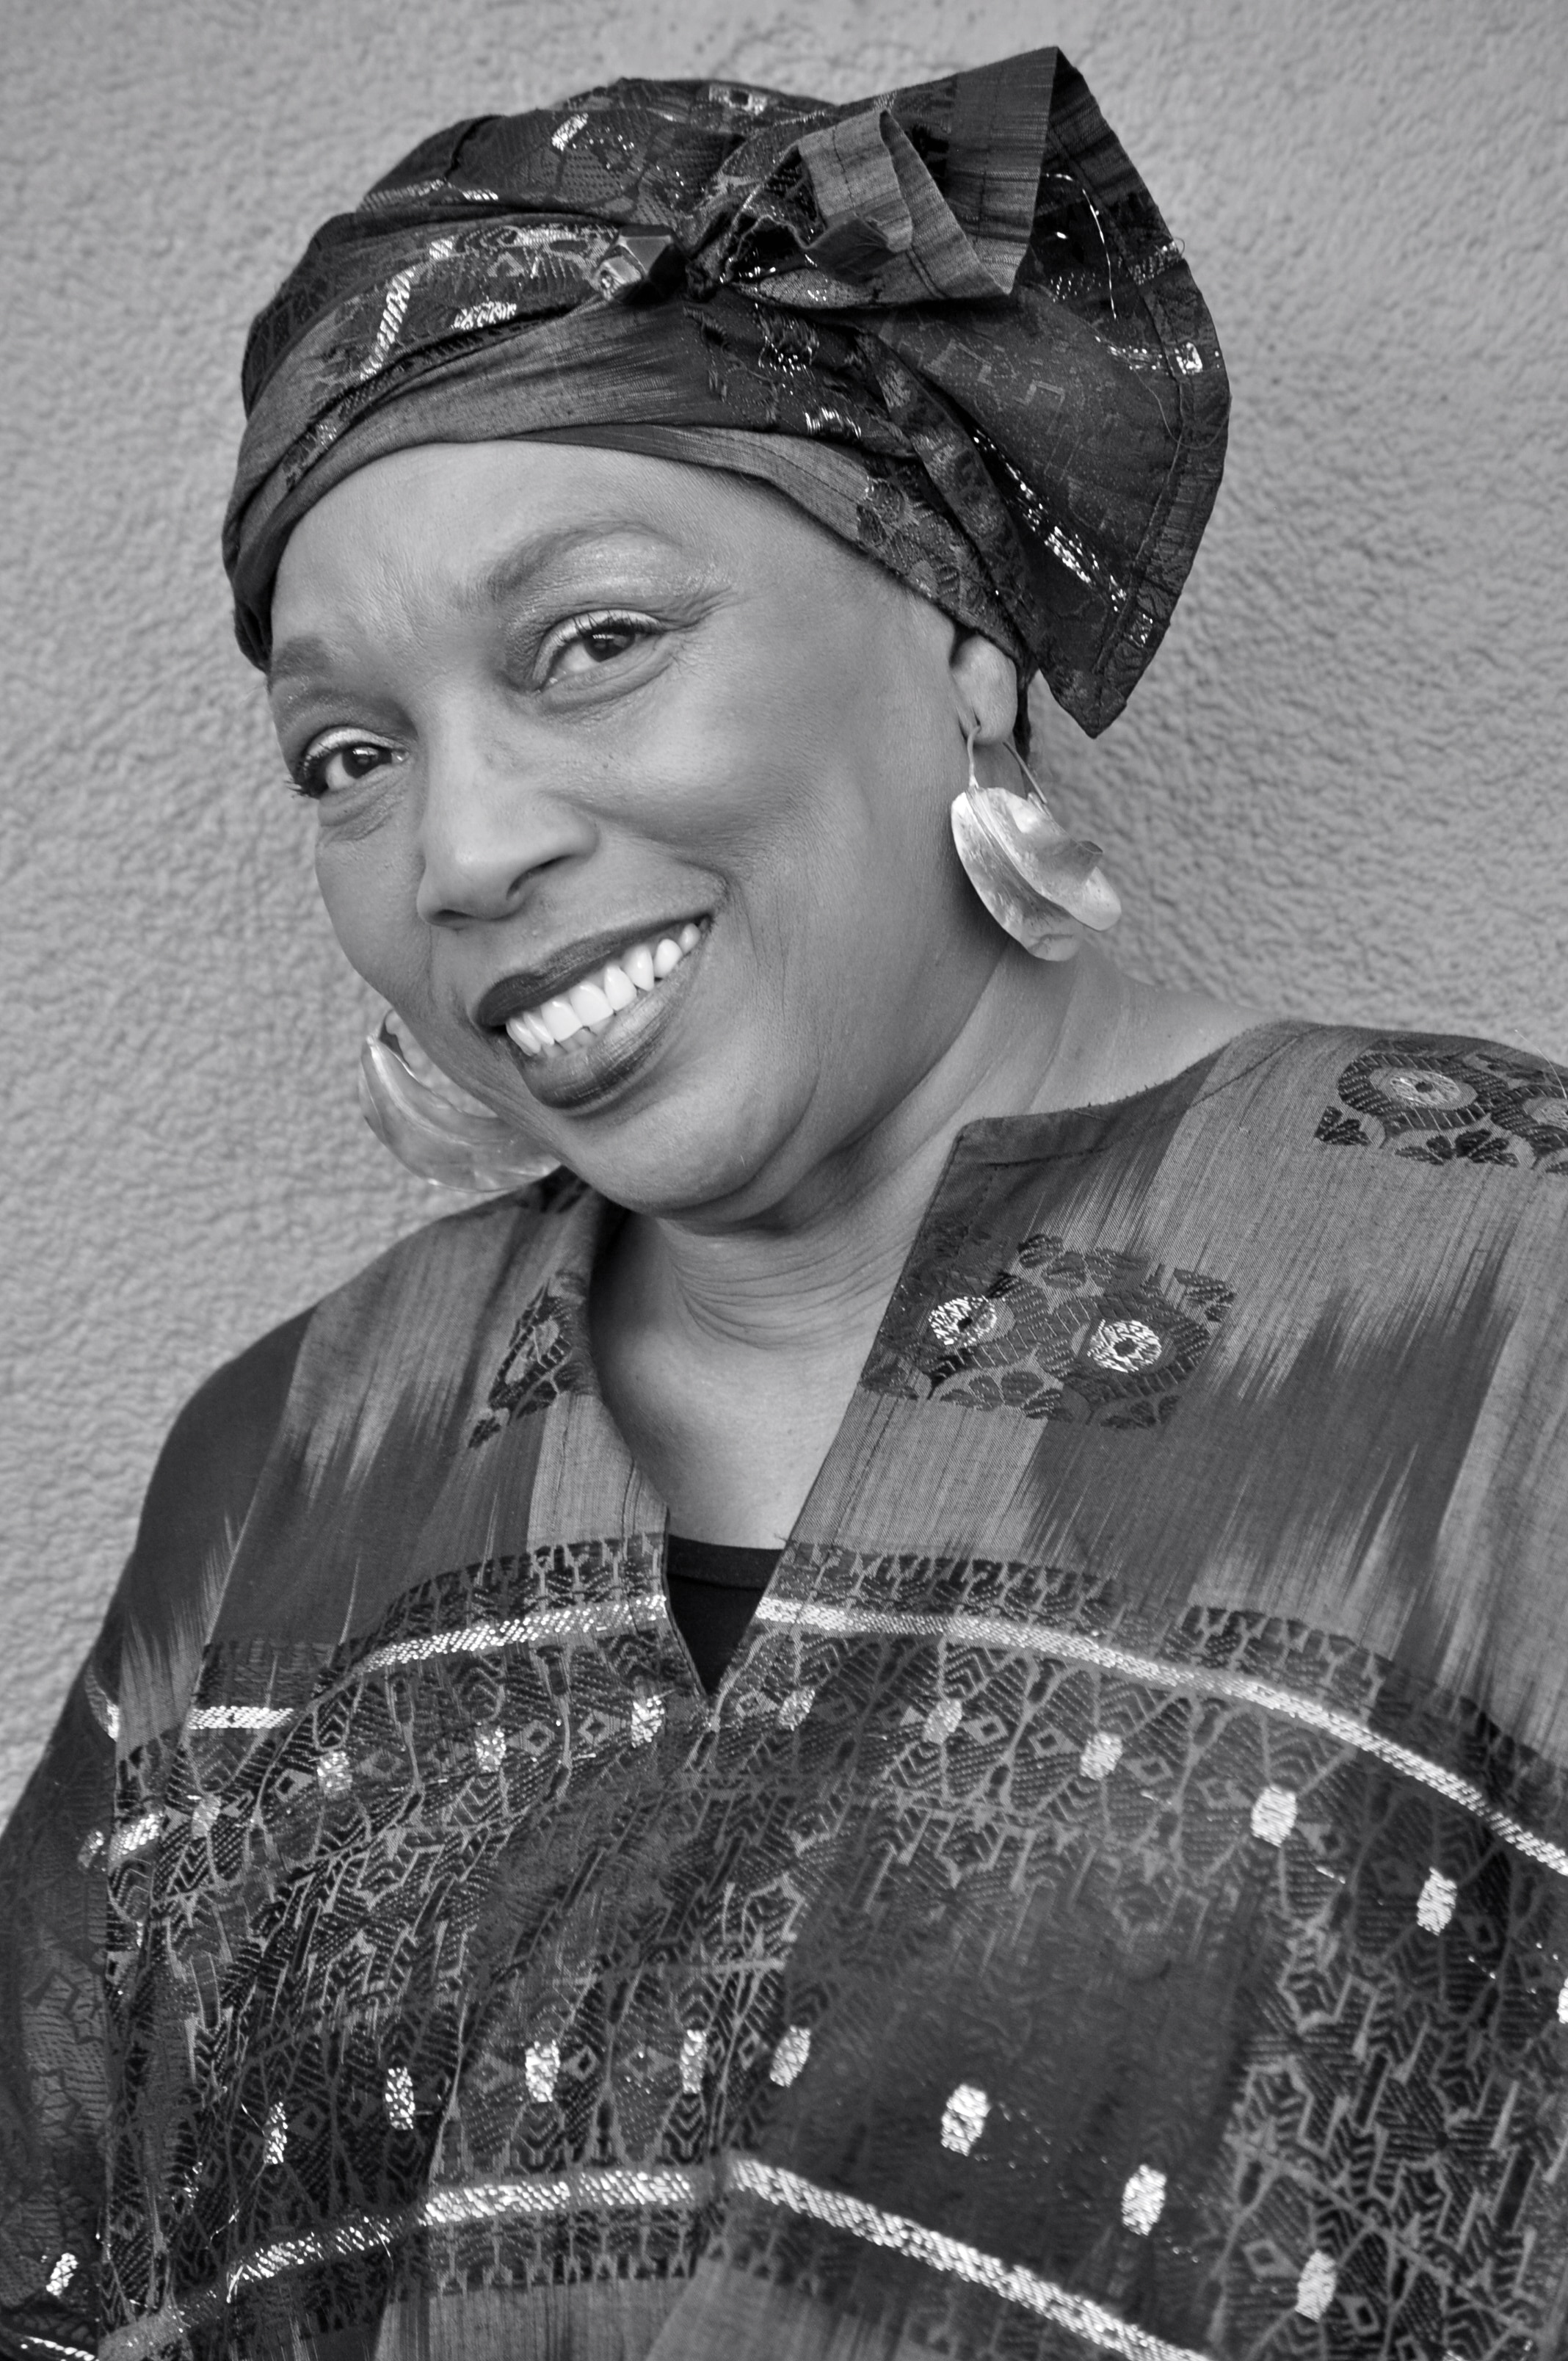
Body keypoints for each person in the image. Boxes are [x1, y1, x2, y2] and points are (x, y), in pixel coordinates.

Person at [3, 47, 1567, 2361]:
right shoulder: (292, 1465)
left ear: (957, 626)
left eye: (595, 643)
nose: (463, 850)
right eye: (351, 756)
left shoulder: (1504, 1300)